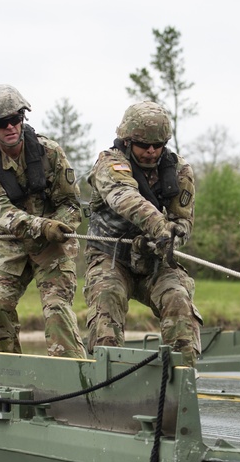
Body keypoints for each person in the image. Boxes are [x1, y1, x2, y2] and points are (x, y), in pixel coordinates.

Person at [0, 83, 85, 358]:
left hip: (52, 245)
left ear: (23, 119)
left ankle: (73, 377)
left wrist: (59, 226)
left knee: (57, 309)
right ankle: (7, 373)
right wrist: (39, 226)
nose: (10, 127)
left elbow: (71, 205)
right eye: (1, 122)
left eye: (15, 119)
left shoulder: (50, 152)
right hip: (10, 245)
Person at [82, 101, 201, 366]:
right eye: (143, 145)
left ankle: (182, 380)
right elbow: (124, 197)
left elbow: (183, 222)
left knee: (179, 300)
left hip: (154, 262)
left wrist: (170, 238)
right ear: (126, 141)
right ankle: (106, 382)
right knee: (106, 299)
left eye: (157, 146)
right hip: (110, 257)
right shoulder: (109, 163)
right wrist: (159, 226)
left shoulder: (180, 171)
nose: (150, 151)